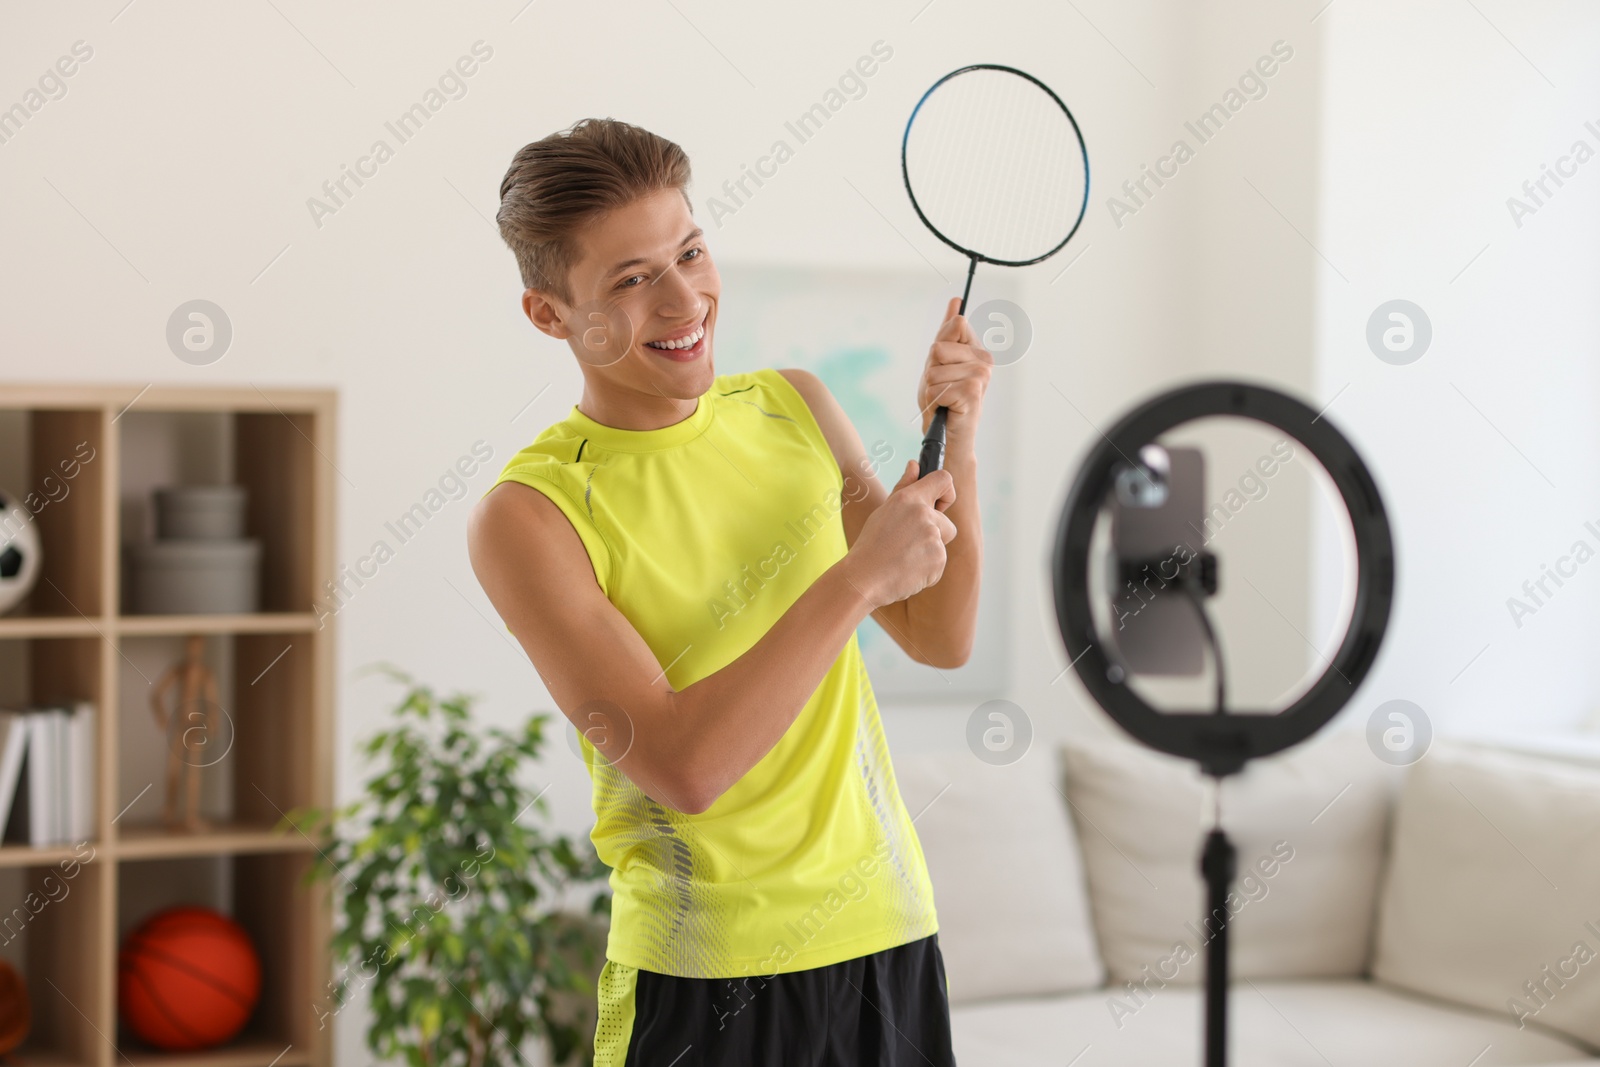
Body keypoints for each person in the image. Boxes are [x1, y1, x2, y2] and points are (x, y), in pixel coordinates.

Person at [467, 117, 991, 1066]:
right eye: (631, 279)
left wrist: (956, 432)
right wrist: (858, 575)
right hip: (706, 979)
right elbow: (685, 766)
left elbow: (936, 630)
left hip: (888, 935)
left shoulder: (793, 405)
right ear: (550, 314)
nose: (684, 299)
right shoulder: (529, 515)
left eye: (692, 251)